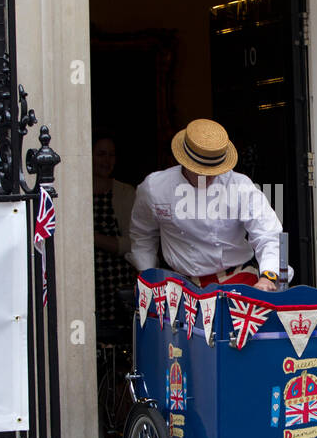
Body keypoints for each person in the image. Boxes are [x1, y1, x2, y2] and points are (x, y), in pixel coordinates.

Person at [128, 118, 285, 291]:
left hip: (236, 279)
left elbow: (267, 234)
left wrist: (268, 276)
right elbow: (142, 234)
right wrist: (146, 275)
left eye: (215, 171)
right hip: (180, 285)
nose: (209, 177)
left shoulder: (240, 186)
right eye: (202, 172)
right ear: (184, 162)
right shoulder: (155, 187)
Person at [92, 133, 136, 334]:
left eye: (111, 155)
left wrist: (91, 238)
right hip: (91, 281)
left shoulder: (126, 192)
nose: (106, 160)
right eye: (101, 154)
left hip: (117, 282)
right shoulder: (76, 192)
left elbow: (131, 244)